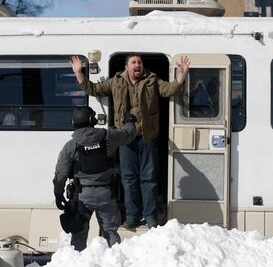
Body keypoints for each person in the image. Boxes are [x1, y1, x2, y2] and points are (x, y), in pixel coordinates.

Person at [70, 54, 190, 229]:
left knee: (149, 178)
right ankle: (132, 216)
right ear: (126, 67)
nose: (137, 65)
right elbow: (94, 89)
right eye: (133, 62)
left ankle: (150, 216)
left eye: (140, 62)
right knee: (128, 179)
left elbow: (169, 90)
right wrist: (79, 73)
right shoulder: (116, 81)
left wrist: (181, 75)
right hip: (125, 139)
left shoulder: (152, 80)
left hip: (148, 137)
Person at [53, 106, 137, 251]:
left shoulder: (71, 146)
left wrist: (58, 193)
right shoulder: (108, 136)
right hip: (107, 194)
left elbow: (61, 174)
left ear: (74, 123)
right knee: (111, 234)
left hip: (82, 196)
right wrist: (130, 121)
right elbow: (128, 134)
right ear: (93, 120)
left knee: (78, 236)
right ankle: (115, 261)